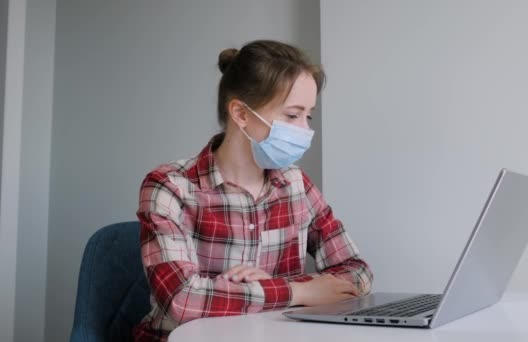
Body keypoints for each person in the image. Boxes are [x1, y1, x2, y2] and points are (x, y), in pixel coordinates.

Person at [134, 40, 373, 341]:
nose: (304, 129)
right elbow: (183, 300)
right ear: (241, 114)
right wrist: (298, 291)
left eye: (307, 115)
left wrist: (265, 288)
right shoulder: (169, 187)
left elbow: (358, 272)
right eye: (291, 115)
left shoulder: (296, 184)